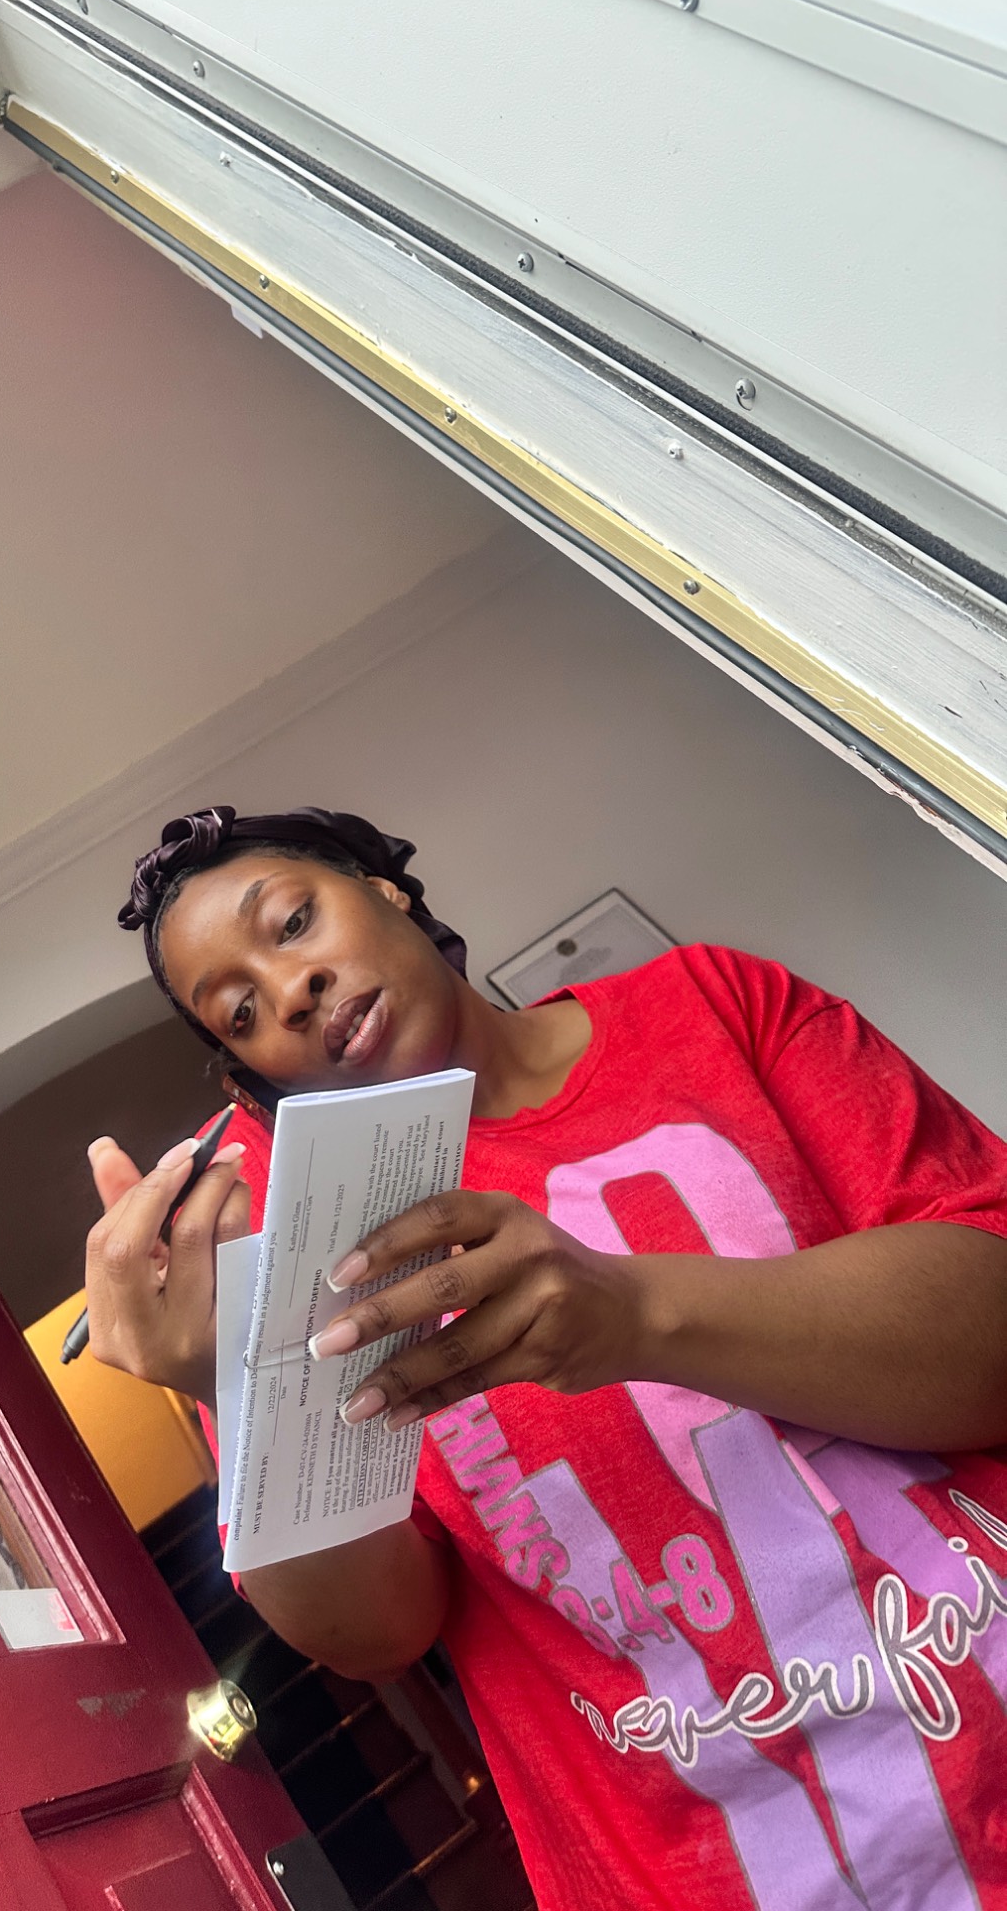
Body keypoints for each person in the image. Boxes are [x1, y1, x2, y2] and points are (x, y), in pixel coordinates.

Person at [82, 805, 1007, 1911]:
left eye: (291, 922)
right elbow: (375, 1631)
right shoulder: (291, 1247)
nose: (290, 991)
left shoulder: (713, 1002)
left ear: (384, 888)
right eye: (240, 1013)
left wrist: (636, 1312)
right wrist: (236, 1387)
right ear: (251, 1074)